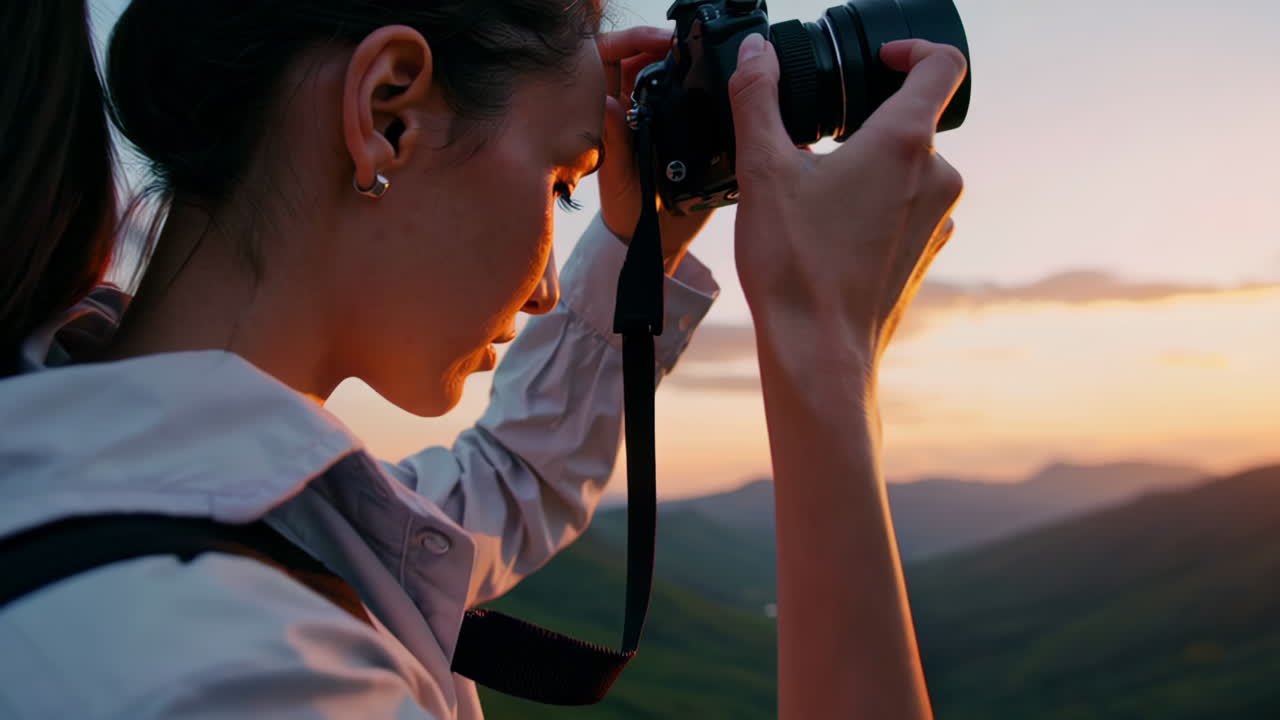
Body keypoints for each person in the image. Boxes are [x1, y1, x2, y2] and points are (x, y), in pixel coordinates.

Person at [0, 3, 965, 720]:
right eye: (561, 182)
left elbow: (496, 489)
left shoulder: (81, 461)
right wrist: (823, 355)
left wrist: (650, 234)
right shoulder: (244, 679)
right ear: (388, 114)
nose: (546, 284)